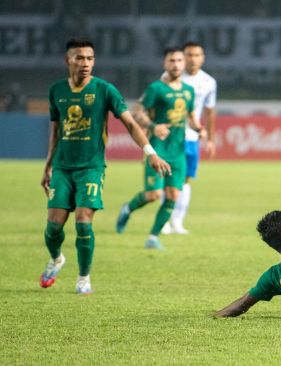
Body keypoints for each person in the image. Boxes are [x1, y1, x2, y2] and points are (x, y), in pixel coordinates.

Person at [40, 38, 171, 294]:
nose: (86, 63)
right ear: (68, 61)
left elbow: (132, 124)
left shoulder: (105, 90)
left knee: (83, 221)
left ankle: (83, 278)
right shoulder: (56, 91)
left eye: (90, 58)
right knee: (53, 227)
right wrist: (47, 166)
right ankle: (56, 258)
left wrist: (150, 152)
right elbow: (56, 132)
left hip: (91, 167)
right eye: (79, 58)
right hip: (62, 168)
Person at [115, 47, 201, 250]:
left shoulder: (189, 91)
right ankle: (127, 208)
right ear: (165, 64)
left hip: (178, 152)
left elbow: (191, 118)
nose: (176, 64)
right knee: (153, 195)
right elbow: (137, 112)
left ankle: (153, 237)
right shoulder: (156, 89)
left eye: (180, 60)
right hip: (157, 149)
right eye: (172, 60)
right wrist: (154, 126)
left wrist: (200, 129)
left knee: (172, 195)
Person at [161, 42, 218, 235]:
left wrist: (210, 138)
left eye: (197, 55)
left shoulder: (208, 82)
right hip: (171, 136)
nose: (193, 59)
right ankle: (165, 220)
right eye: (189, 55)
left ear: (203, 58)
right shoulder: (170, 78)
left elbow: (209, 112)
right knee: (169, 178)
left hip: (192, 137)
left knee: (185, 179)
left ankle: (177, 221)